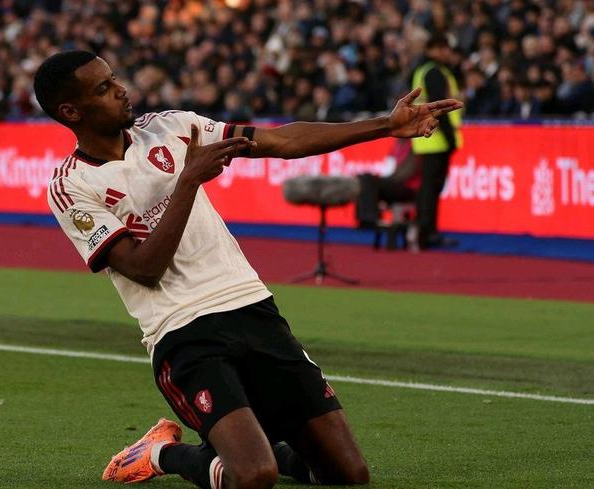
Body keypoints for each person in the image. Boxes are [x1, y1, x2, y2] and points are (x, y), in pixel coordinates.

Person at [34, 50, 462, 489]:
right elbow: (145, 270)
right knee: (254, 476)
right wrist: (188, 182)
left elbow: (282, 141)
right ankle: (162, 453)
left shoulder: (172, 127)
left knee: (348, 474)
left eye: (114, 78)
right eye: (103, 88)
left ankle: (259, 447)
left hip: (252, 307)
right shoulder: (71, 186)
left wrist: (385, 126)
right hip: (183, 332)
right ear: (71, 111)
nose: (121, 90)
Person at [410, 34, 464, 249]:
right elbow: (440, 108)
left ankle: (425, 230)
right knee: (431, 189)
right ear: (431, 50)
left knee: (428, 188)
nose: (445, 53)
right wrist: (451, 138)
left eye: (446, 48)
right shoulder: (435, 72)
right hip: (437, 138)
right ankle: (427, 232)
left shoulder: (424, 71)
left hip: (427, 138)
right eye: (441, 48)